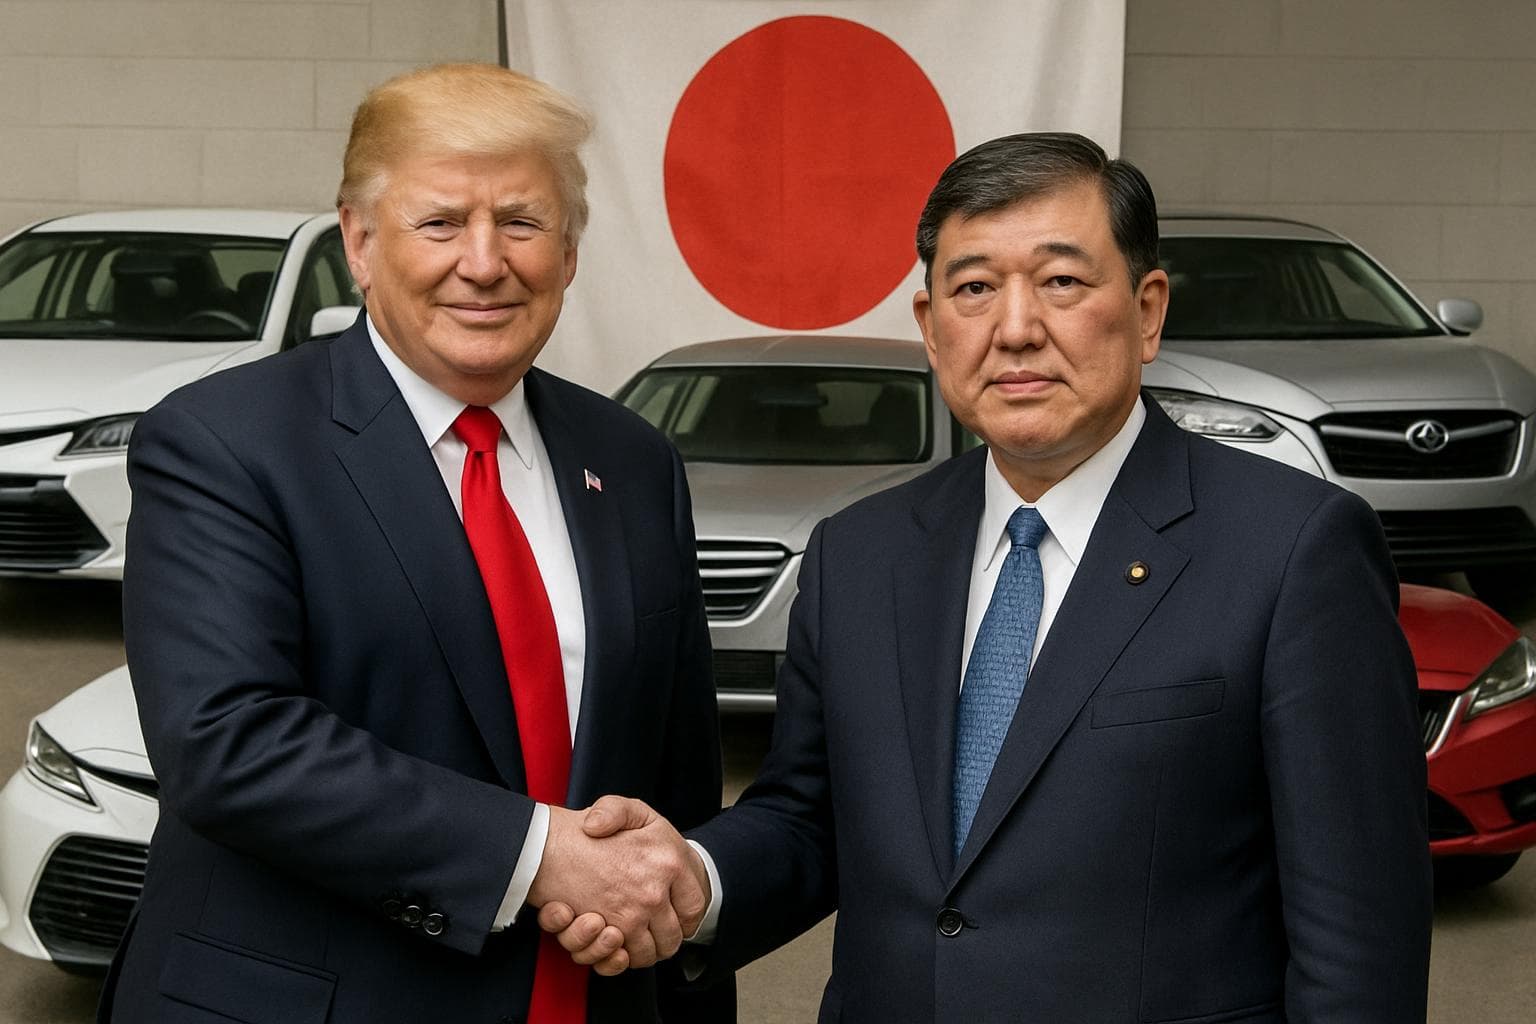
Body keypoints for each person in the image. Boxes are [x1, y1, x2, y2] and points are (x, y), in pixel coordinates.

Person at [547, 133, 1433, 1021]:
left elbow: (1358, 939)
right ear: (932, 328)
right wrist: (693, 880)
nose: (1015, 328)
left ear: (1149, 310)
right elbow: (810, 817)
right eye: (974, 289)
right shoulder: (859, 552)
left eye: (1062, 282)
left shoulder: (1293, 549)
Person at [103, 63, 730, 1024]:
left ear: (569, 252)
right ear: (359, 242)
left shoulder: (633, 459)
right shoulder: (224, 441)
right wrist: (542, 855)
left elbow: (676, 776)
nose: (485, 263)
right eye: (440, 223)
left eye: (522, 222)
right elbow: (228, 741)